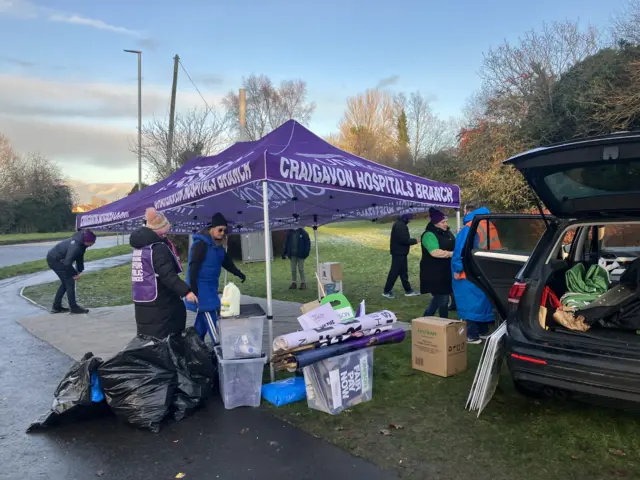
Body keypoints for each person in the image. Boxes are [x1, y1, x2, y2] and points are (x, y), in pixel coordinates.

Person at [130, 208, 197, 338]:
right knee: (166, 340)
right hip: (161, 303)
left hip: (143, 299)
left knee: (149, 340)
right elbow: (167, 275)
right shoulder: (158, 248)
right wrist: (186, 291)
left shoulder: (141, 246)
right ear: (160, 228)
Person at [185, 212, 246, 341]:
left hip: (211, 288)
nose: (222, 233)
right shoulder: (200, 245)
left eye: (224, 231)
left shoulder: (218, 247)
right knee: (211, 316)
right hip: (201, 290)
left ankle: (193, 346)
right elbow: (193, 268)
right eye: (220, 230)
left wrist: (238, 273)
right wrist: (192, 290)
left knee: (202, 323)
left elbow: (226, 262)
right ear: (211, 229)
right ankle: (220, 345)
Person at [451, 201, 499, 344]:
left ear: (468, 211)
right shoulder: (489, 225)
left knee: (469, 303)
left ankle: (472, 335)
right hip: (486, 270)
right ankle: (483, 331)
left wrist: (457, 268)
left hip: (469, 272)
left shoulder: (469, 227)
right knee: (482, 302)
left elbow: (461, 251)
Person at [46, 229, 96, 314]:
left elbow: (80, 257)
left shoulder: (81, 243)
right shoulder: (75, 246)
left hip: (59, 260)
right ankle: (74, 308)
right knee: (69, 282)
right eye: (92, 242)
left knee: (66, 283)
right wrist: (74, 274)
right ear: (86, 241)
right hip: (55, 260)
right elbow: (67, 263)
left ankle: (56, 307)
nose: (93, 244)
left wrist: (80, 269)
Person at [420, 208, 456, 318]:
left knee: (439, 298)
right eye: (443, 222)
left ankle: (425, 319)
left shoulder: (447, 233)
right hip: (434, 272)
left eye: (446, 221)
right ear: (435, 223)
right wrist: (453, 254)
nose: (446, 224)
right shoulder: (428, 235)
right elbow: (434, 252)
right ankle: (444, 322)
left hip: (445, 271)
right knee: (443, 299)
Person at [383, 213, 420, 298]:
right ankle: (386, 291)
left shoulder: (400, 224)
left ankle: (408, 290)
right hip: (398, 253)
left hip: (401, 253)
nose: (409, 221)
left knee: (403, 273)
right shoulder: (400, 226)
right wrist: (416, 240)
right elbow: (404, 240)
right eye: (409, 219)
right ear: (405, 218)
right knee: (394, 272)